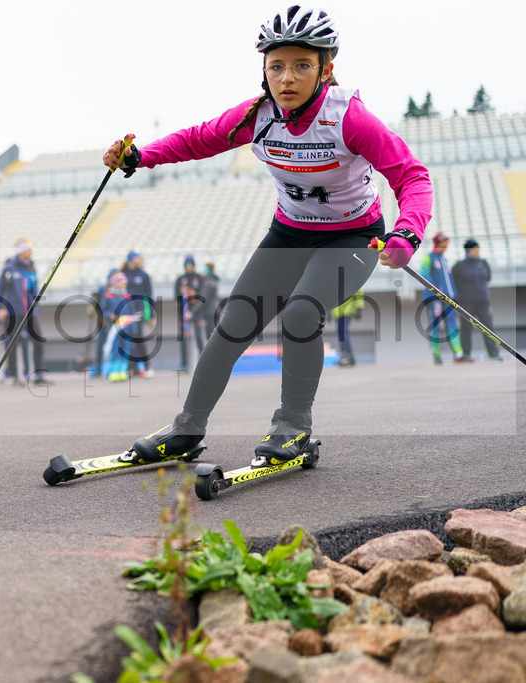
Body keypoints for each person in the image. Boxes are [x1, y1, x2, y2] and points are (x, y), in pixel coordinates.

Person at [103, 5, 432, 468]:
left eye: (302, 64)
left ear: (326, 69)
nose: (287, 77)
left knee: (301, 314)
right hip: (290, 234)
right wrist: (141, 156)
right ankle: (185, 429)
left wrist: (407, 232)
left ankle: (294, 427)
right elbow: (199, 138)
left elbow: (412, 177)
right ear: (264, 70)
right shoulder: (257, 116)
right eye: (276, 66)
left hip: (353, 237)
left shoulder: (350, 118)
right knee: (233, 324)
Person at [0, 238, 51, 386]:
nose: (31, 252)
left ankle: (38, 374)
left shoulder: (31, 267)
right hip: (14, 313)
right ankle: (13, 375)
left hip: (31, 312)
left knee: (38, 340)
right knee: (12, 343)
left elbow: (33, 289)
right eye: (28, 249)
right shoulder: (10, 269)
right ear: (21, 251)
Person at [420, 233, 468, 365]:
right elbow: (423, 275)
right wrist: (437, 291)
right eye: (444, 243)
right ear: (438, 243)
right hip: (435, 299)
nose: (447, 246)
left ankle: (458, 354)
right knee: (435, 326)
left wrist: (454, 295)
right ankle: (436, 356)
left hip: (449, 300)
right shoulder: (428, 258)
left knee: (452, 325)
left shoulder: (444, 259)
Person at [451, 238, 501, 361]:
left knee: (488, 328)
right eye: (475, 250)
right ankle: (466, 354)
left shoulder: (483, 263)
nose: (478, 252)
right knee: (466, 329)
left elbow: (487, 278)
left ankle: (493, 353)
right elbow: (454, 282)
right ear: (468, 250)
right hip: (466, 303)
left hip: (483, 302)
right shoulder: (460, 265)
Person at [122, 250, 155, 377]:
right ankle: (131, 368)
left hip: (139, 312)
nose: (140, 259)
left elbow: (149, 296)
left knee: (138, 338)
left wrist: (151, 315)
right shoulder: (123, 274)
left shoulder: (144, 276)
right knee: (127, 340)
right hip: (125, 311)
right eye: (137, 257)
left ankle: (147, 367)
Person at [101, 271, 134, 382]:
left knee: (125, 350)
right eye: (122, 283)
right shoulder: (109, 296)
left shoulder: (127, 297)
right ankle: (114, 371)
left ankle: (122, 371)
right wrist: (110, 316)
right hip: (114, 330)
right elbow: (103, 311)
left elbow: (132, 314)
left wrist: (133, 328)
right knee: (115, 349)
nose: (124, 285)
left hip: (126, 329)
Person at [174, 255, 205, 370]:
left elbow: (203, 297)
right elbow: (176, 297)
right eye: (187, 265)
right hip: (183, 313)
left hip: (196, 312)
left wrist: (193, 294)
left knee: (198, 336)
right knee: (183, 338)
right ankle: (184, 364)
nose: (189, 267)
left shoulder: (199, 278)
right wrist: (182, 292)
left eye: (191, 265)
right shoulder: (180, 279)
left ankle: (203, 363)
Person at [331, 290, 364, 367]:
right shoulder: (334, 283)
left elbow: (358, 295)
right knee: (341, 333)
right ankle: (348, 356)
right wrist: (328, 311)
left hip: (347, 310)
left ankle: (346, 355)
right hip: (337, 312)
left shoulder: (349, 279)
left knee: (342, 332)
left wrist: (359, 308)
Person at [198, 261, 221, 340]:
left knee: (210, 336)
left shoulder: (209, 283)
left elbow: (204, 300)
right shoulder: (212, 281)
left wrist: (192, 312)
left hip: (210, 312)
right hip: (213, 311)